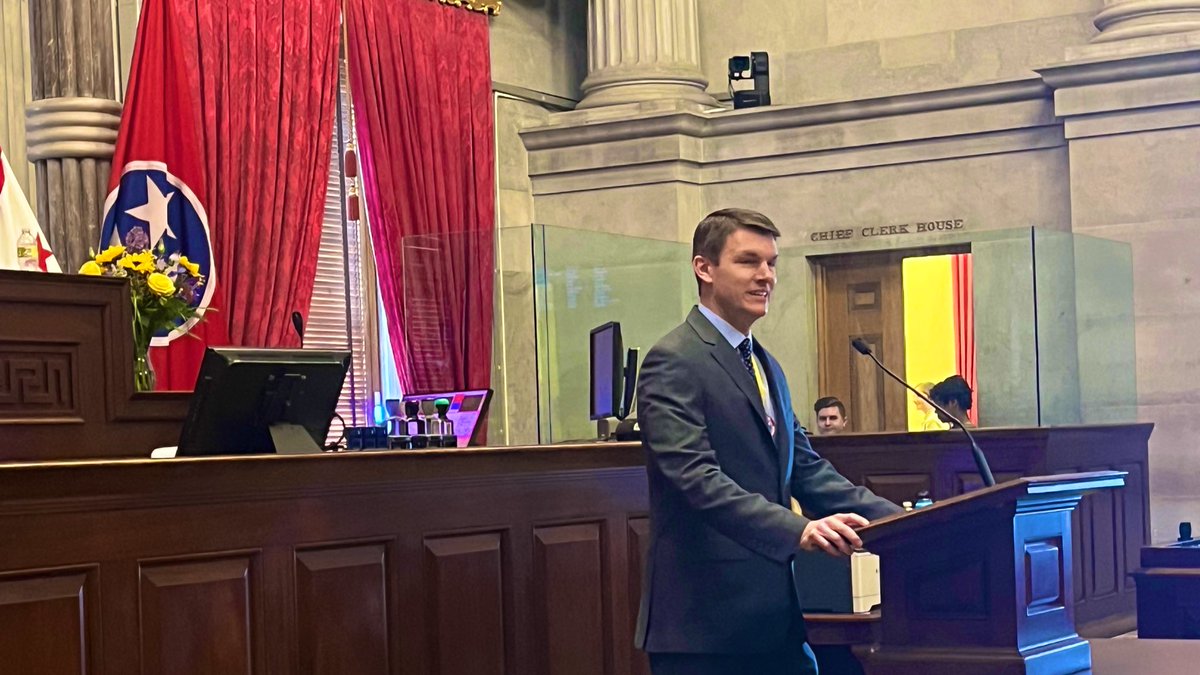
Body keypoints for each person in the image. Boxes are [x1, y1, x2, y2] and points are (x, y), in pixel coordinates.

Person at [634, 208, 901, 675]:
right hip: (705, 628)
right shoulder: (673, 359)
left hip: (774, 621)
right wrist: (798, 530)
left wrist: (903, 524)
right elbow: (695, 479)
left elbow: (806, 469)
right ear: (704, 268)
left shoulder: (764, 363)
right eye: (749, 262)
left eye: (772, 263)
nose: (767, 277)